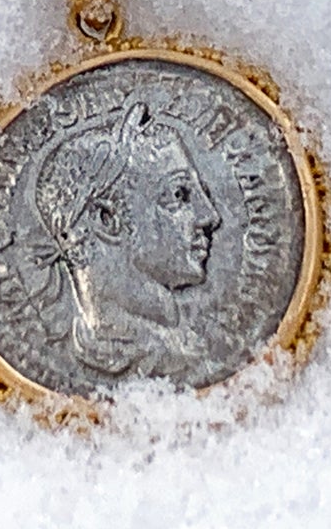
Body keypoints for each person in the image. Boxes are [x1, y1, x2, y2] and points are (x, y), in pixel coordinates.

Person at [30, 100, 223, 380]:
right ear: (106, 220)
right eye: (178, 195)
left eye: (202, 193)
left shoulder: (183, 347)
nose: (210, 216)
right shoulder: (123, 356)